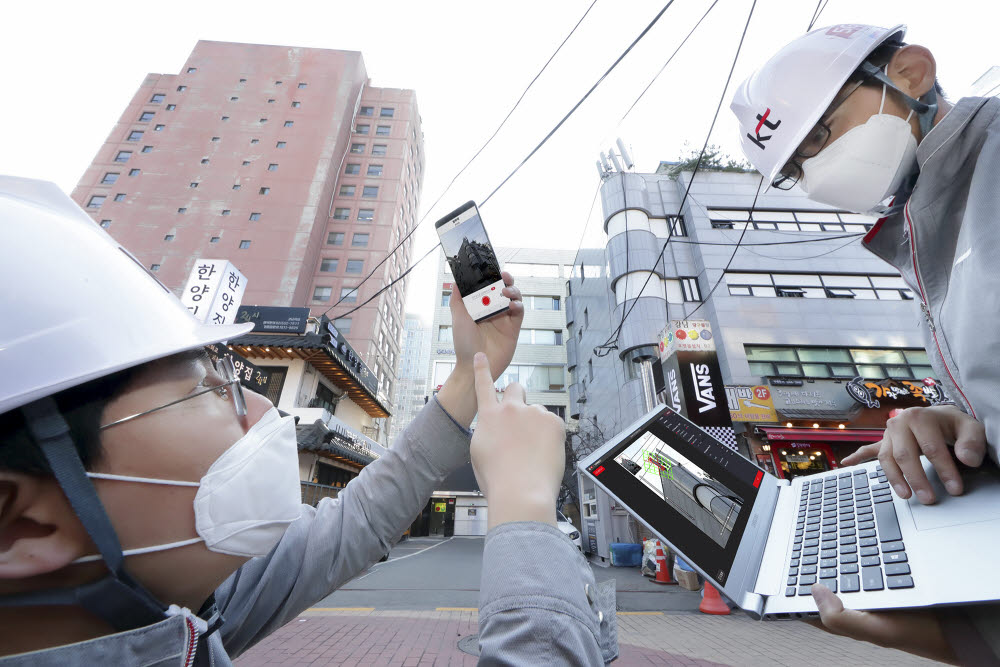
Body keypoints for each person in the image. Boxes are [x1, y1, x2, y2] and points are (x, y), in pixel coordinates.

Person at [0, 176, 616, 665]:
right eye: (206, 392)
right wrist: (528, 511)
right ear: (22, 522)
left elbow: (361, 518)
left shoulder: (179, 618)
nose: (263, 407)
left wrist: (468, 374)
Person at [732, 22, 999, 664]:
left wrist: (974, 638)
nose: (816, 172)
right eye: (795, 168)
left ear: (910, 73)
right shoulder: (925, 226)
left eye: (819, 136)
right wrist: (962, 424)